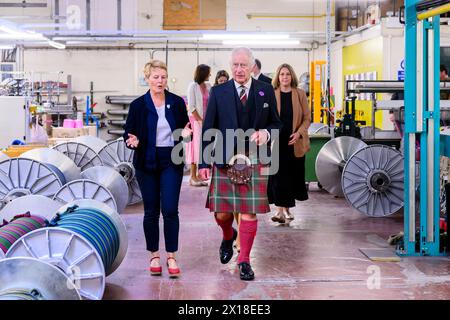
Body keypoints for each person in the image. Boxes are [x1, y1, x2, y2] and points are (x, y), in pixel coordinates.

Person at [198, 47, 283, 281]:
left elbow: (277, 124)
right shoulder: (219, 92)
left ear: (252, 66)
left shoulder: (265, 90)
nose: (238, 69)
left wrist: (266, 133)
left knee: (249, 212)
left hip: (255, 157)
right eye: (235, 65)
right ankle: (228, 235)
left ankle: (244, 259)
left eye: (243, 65)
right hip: (225, 157)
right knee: (222, 214)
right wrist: (204, 160)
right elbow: (208, 128)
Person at [123, 60, 190, 278]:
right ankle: (154, 254)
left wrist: (186, 134)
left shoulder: (177, 102)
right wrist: (130, 140)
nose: (159, 81)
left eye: (163, 77)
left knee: (170, 209)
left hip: (171, 160)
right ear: (147, 79)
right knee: (151, 210)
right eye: (155, 77)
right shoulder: (138, 105)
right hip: (146, 160)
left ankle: (171, 255)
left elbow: (184, 128)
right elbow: (128, 133)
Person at [268, 63, 310, 224]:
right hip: (276, 141)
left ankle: (286, 209)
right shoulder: (272, 94)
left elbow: (307, 118)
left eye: (287, 74)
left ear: (292, 76)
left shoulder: (299, 94)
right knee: (278, 177)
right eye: (282, 74)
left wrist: (299, 133)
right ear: (277, 77)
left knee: (291, 177)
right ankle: (280, 211)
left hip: (294, 141)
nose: (284, 77)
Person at [186, 64, 212, 186]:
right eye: (208, 73)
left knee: (203, 148)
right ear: (203, 73)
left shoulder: (208, 86)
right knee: (195, 147)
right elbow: (191, 107)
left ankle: (199, 175)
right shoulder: (193, 86)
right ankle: (192, 176)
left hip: (206, 121)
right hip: (195, 120)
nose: (210, 75)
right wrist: (200, 121)